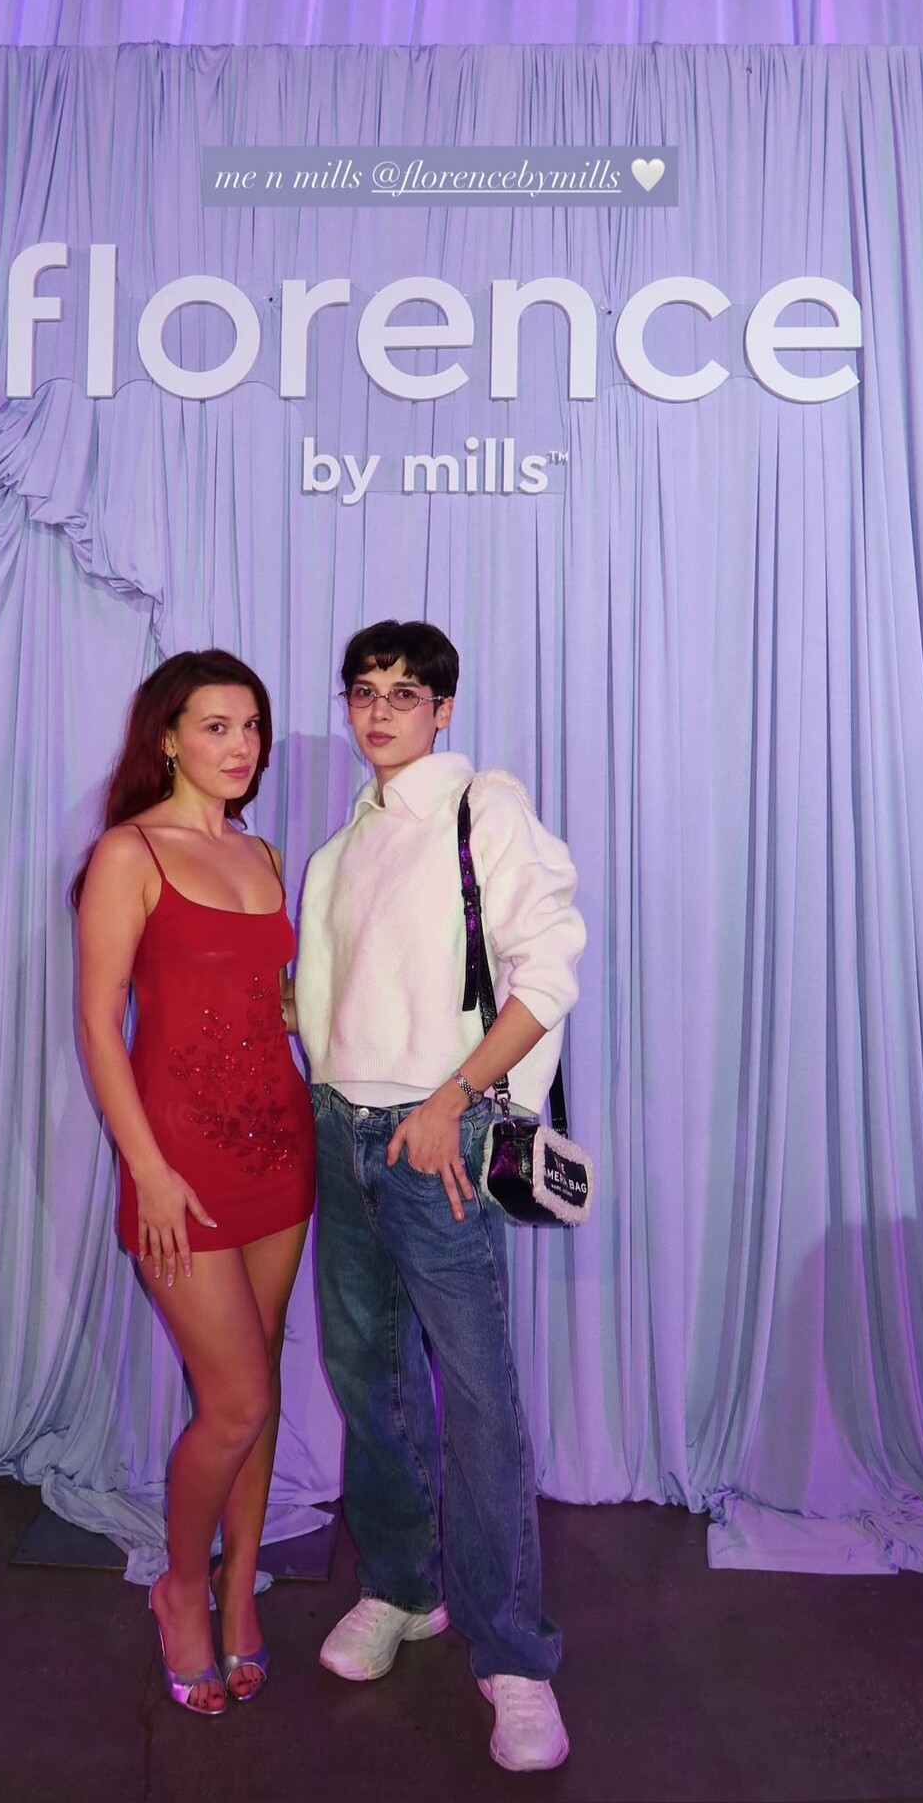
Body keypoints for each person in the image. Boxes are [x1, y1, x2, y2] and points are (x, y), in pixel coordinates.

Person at [294, 620, 585, 1774]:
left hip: (440, 1138)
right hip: (342, 1132)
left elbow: (547, 973)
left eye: (404, 694)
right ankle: (404, 1588)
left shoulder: (483, 807)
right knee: (367, 1379)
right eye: (364, 692)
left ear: (443, 709)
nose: (380, 712)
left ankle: (514, 1659)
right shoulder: (338, 848)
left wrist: (450, 1099)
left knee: (478, 1402)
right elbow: (340, 999)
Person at [74, 650, 314, 1716]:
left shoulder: (263, 852)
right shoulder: (129, 853)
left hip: (281, 1155)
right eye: (217, 726)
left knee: (261, 1385)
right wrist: (148, 1172)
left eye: (252, 726)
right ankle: (181, 1587)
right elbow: (98, 1024)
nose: (240, 746)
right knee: (236, 1401)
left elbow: (273, 1002)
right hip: (180, 1168)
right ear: (167, 737)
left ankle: (239, 1585)